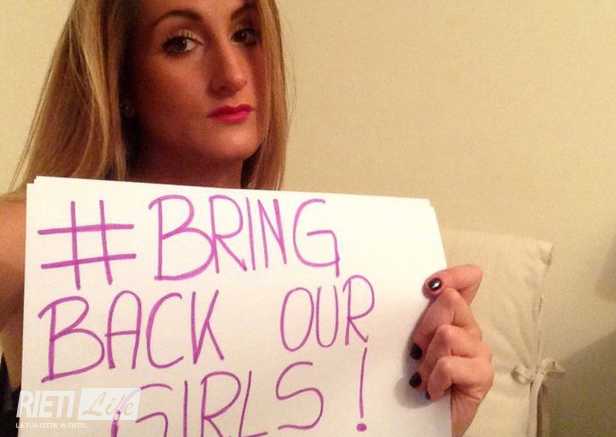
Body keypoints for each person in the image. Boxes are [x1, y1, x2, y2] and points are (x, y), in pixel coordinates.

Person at [0, 1, 494, 436]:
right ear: (120, 79)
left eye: (245, 33)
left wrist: (424, 419)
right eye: (181, 42)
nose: (233, 74)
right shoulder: (33, 243)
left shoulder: (333, 275)